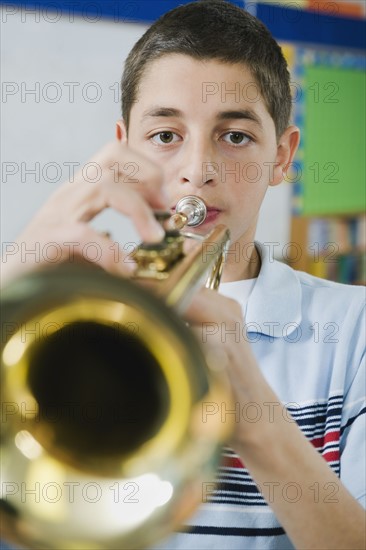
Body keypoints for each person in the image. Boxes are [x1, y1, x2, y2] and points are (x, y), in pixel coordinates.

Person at [1, 1, 365, 549]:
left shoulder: (353, 329)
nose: (199, 169)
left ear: (282, 156)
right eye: (166, 135)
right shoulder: (57, 316)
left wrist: (260, 426)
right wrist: (10, 287)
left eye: (235, 136)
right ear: (125, 145)